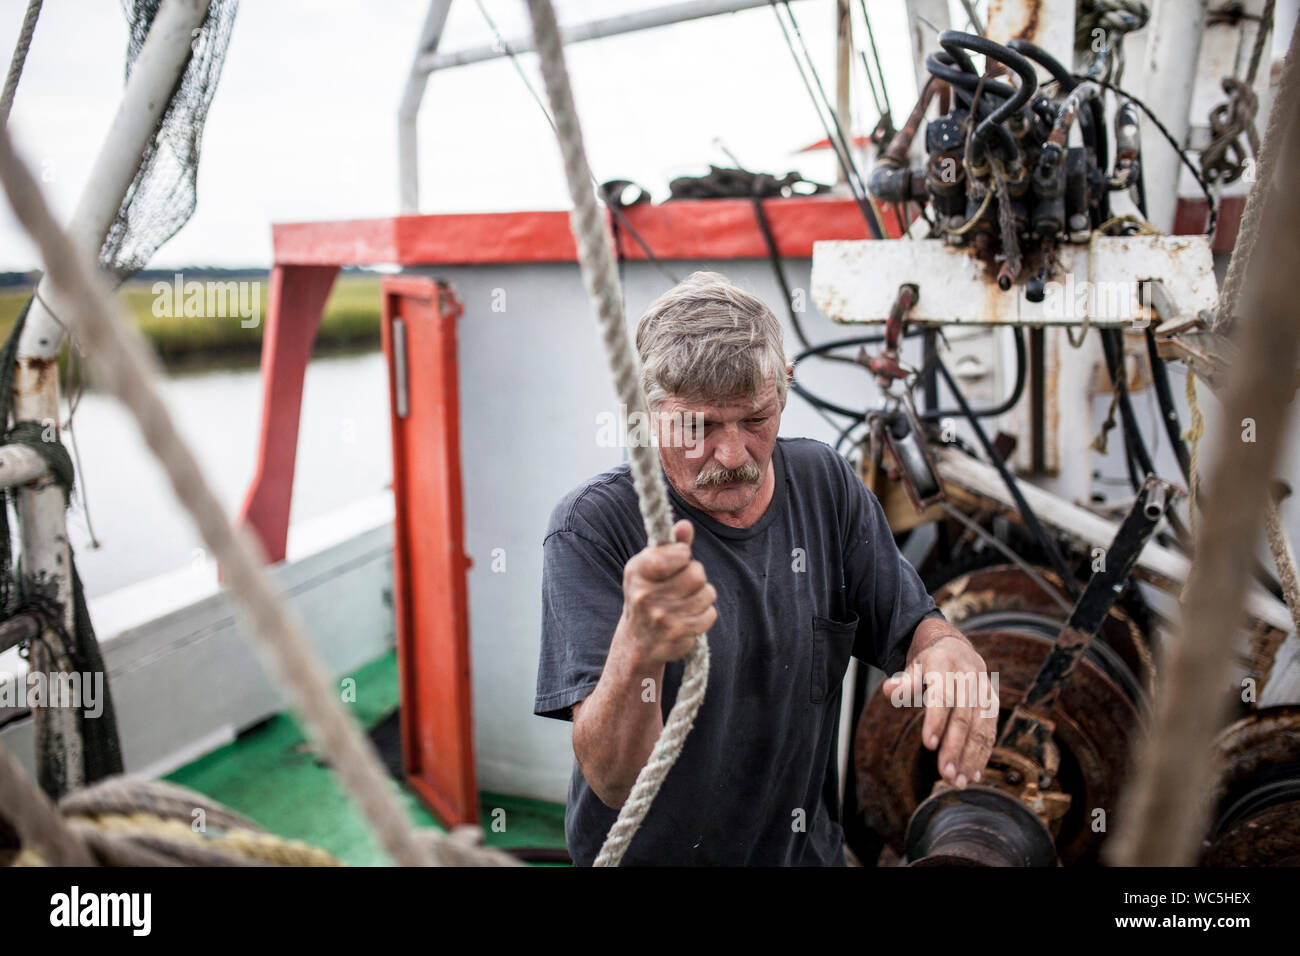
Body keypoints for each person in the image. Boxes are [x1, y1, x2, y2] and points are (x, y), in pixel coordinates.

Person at [535, 271, 994, 865]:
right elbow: (615, 780)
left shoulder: (825, 484)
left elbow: (915, 629)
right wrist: (638, 648)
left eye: (755, 420)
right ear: (646, 417)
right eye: (696, 427)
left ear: (786, 390)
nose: (731, 455)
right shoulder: (593, 528)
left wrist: (949, 649)